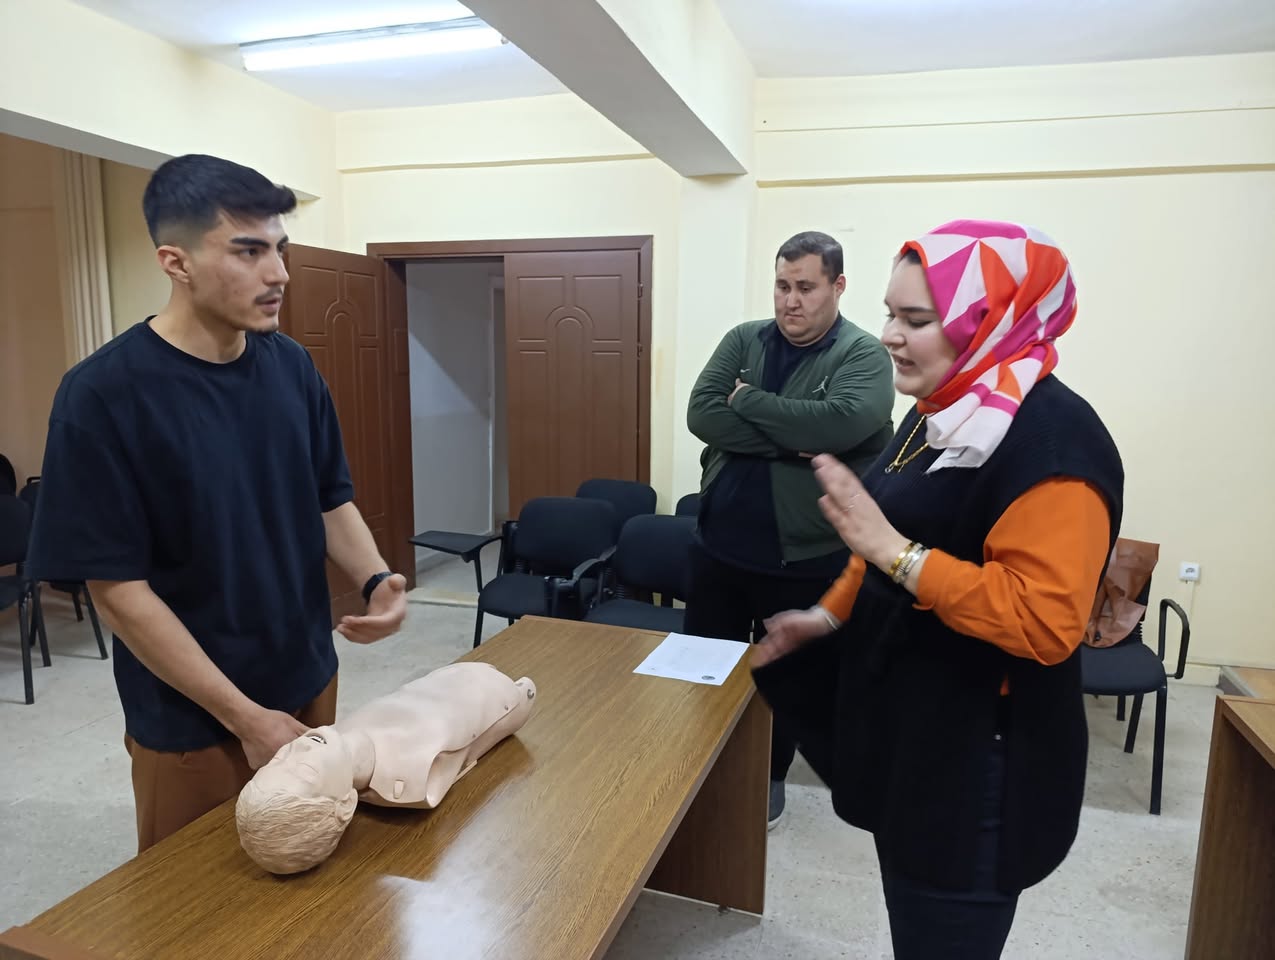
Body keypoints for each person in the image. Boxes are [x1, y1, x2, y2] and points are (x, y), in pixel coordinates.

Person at [752, 220, 1123, 959]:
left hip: (977, 768)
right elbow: (876, 537)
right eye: (891, 312)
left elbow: (1044, 624)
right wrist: (826, 618)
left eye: (915, 320)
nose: (888, 334)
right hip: (915, 738)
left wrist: (895, 551)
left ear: (990, 324)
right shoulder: (943, 411)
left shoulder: (1054, 448)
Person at [27, 154, 408, 853]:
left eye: (281, 249)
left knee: (311, 863)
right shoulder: (103, 395)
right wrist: (245, 718)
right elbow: (117, 590)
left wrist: (375, 577)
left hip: (307, 673)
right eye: (250, 251)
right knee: (197, 905)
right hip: (193, 715)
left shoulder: (291, 365)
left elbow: (329, 499)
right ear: (176, 261)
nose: (279, 274)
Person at [684, 230, 894, 827]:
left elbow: (845, 422)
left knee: (787, 681)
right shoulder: (743, 339)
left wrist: (746, 402)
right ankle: (701, 772)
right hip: (719, 547)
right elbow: (702, 413)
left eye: (805, 287)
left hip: (805, 556)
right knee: (706, 671)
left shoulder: (862, 354)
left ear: (837, 286)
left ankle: (768, 778)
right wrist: (795, 437)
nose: (790, 301)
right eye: (782, 285)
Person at [236, 662, 537, 875]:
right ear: (345, 806)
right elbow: (494, 719)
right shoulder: (416, 773)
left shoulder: (337, 737)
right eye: (306, 772)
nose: (297, 748)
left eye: (277, 760)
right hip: (497, 687)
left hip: (460, 671)